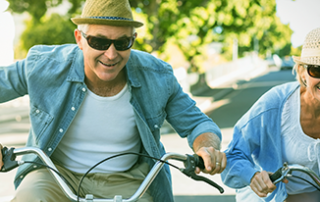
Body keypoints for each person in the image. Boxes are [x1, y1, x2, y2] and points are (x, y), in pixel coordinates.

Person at [0, 0, 227, 201]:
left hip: (130, 179)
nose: (111, 54)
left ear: (133, 40)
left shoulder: (157, 76)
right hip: (56, 175)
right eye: (99, 42)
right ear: (80, 39)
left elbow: (199, 124)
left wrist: (207, 149)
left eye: (121, 43)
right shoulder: (44, 66)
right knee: (30, 197)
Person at [221, 27, 320, 202]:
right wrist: (252, 176)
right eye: (317, 71)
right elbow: (232, 155)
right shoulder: (275, 105)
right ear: (302, 72)